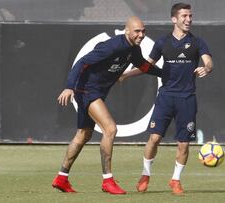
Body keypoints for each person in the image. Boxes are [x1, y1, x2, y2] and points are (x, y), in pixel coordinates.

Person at [52, 16, 162, 195]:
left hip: (93, 91)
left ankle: (61, 178)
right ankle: (107, 181)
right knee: (110, 129)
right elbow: (82, 62)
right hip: (86, 90)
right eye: (137, 31)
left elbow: (144, 66)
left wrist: (167, 73)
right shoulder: (112, 46)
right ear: (127, 31)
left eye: (143, 31)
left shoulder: (134, 49)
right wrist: (69, 87)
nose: (141, 34)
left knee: (83, 135)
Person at [120, 3, 213, 195]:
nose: (188, 20)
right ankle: (145, 175)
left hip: (187, 99)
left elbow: (209, 61)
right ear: (174, 19)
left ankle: (176, 180)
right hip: (166, 97)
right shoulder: (162, 42)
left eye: (190, 16)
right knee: (154, 138)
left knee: (184, 143)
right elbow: (147, 66)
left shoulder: (197, 42)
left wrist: (207, 68)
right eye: (184, 16)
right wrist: (125, 75)